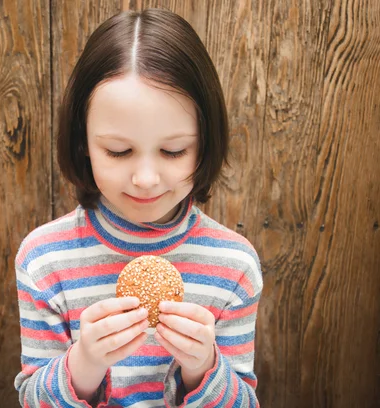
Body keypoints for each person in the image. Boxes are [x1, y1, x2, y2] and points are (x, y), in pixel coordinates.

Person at [14, 8, 263, 407]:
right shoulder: (45, 259)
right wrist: (84, 364)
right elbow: (32, 400)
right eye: (118, 150)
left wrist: (202, 367)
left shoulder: (233, 266)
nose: (145, 178)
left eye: (173, 150)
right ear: (83, 143)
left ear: (206, 141)